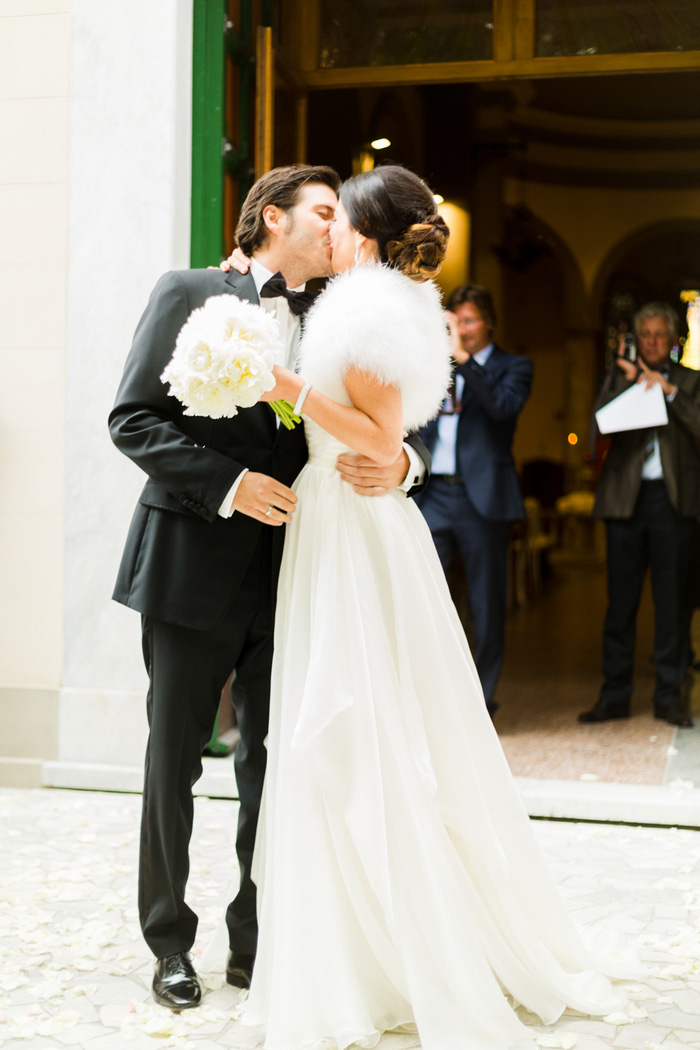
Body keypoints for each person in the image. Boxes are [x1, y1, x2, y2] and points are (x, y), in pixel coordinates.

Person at [238, 166, 628, 1050]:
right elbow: (398, 439)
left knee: (356, 721)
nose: (328, 228)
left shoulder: (368, 307)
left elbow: (379, 435)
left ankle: (379, 952)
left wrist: (284, 388)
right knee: (365, 719)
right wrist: (397, 457)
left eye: (340, 217)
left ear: (366, 232)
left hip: (350, 520)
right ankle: (351, 948)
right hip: (353, 509)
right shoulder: (390, 299)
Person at [108, 164, 430, 1011]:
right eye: (322, 213)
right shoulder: (187, 291)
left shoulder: (338, 316)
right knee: (173, 758)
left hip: (296, 575)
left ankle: (256, 939)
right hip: (189, 565)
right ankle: (169, 942)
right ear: (269, 216)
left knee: (273, 767)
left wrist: (403, 462)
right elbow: (132, 418)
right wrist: (229, 484)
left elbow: (375, 421)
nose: (335, 229)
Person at [579, 302, 700, 728]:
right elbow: (597, 426)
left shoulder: (691, 381)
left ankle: (670, 696)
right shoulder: (618, 375)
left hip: (674, 502)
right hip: (624, 502)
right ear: (637, 339)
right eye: (644, 334)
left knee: (672, 604)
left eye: (658, 335)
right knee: (620, 604)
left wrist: (669, 392)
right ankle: (614, 695)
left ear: (672, 341)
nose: (651, 341)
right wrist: (629, 387)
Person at [416, 284, 533, 716]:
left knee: (487, 603)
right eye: (454, 322)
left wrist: (465, 364)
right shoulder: (433, 364)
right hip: (433, 495)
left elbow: (503, 408)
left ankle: (481, 700)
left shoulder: (513, 366)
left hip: (482, 497)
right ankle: (429, 695)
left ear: (488, 323)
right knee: (421, 593)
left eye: (468, 321)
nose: (460, 330)